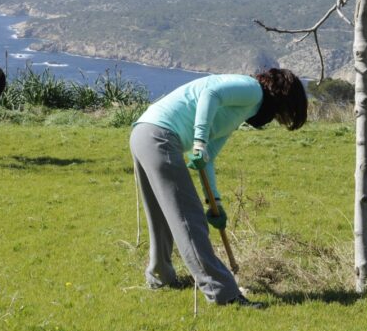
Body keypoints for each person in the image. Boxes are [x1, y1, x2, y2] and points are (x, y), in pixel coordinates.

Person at [129, 68, 307, 309]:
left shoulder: (239, 112)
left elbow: (208, 157)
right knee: (188, 219)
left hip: (145, 132)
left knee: (162, 216)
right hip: (159, 135)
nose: (276, 119)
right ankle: (223, 294)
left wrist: (216, 203)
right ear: (283, 97)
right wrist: (199, 141)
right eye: (282, 115)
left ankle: (161, 276)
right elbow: (210, 94)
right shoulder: (253, 90)